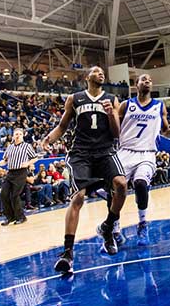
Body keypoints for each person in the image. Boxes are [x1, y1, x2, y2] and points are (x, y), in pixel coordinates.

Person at [41, 66, 125, 274]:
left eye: (102, 71)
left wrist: (111, 114)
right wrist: (49, 138)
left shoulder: (112, 99)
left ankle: (108, 227)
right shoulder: (75, 98)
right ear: (87, 77)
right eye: (96, 71)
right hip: (81, 153)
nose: (101, 73)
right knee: (77, 198)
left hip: (105, 150)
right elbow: (62, 126)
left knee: (121, 185)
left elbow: (116, 133)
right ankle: (67, 253)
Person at [115, 73, 170, 246]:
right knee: (116, 191)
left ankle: (142, 223)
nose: (147, 81)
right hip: (124, 152)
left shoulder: (160, 106)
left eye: (150, 80)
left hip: (146, 153)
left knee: (140, 183)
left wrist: (159, 137)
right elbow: (114, 126)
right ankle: (115, 229)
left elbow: (167, 129)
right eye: (143, 79)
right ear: (136, 85)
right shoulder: (126, 105)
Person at [0, 127, 39, 225]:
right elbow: (5, 159)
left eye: (20, 134)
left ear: (22, 136)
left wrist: (28, 163)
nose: (18, 136)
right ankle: (9, 217)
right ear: (13, 136)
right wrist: (2, 162)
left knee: (14, 195)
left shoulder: (26, 146)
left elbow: (35, 158)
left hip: (21, 172)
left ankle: (21, 217)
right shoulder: (9, 147)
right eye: (16, 134)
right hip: (10, 173)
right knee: (4, 193)